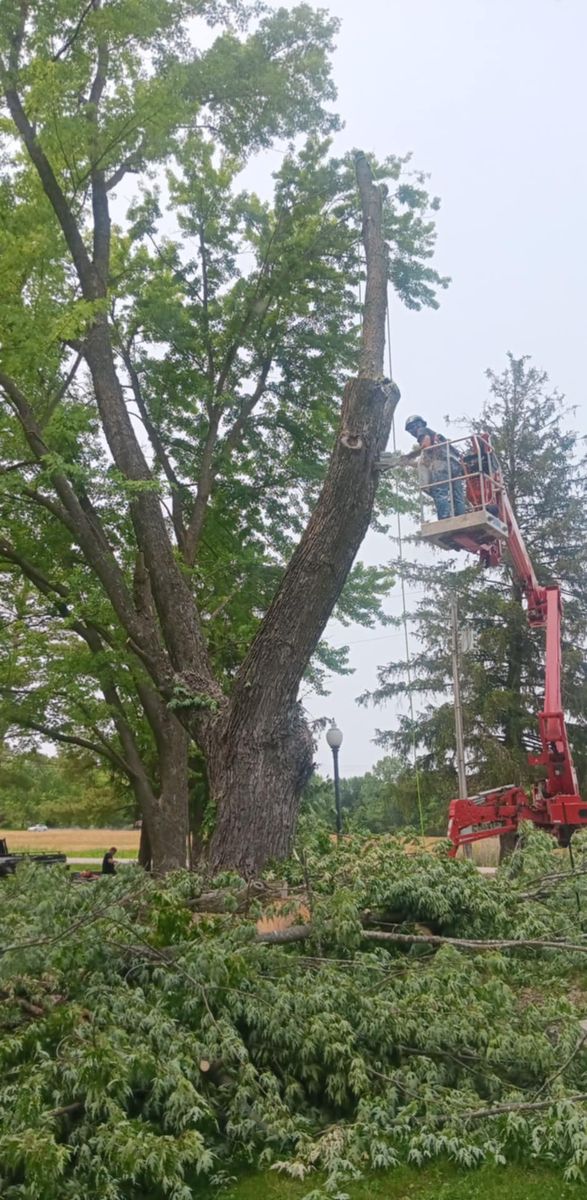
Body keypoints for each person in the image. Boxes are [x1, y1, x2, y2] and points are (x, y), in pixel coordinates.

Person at [402, 415, 467, 520]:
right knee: (457, 496)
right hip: (455, 465)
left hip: (442, 463)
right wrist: (410, 463)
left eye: (411, 429)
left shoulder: (422, 430)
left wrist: (409, 456)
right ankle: (462, 518)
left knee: (440, 492)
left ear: (417, 425)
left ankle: (445, 519)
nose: (412, 432)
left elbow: (426, 445)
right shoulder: (439, 438)